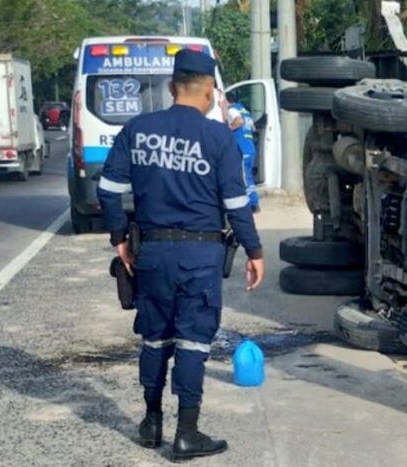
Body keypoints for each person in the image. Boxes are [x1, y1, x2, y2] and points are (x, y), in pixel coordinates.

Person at [96, 49, 265, 461]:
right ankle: (187, 433)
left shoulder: (138, 129)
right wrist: (254, 250)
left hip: (151, 253)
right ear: (209, 92)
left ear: (172, 87)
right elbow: (236, 203)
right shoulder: (218, 138)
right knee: (192, 342)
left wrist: (120, 237)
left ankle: (151, 423)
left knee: (154, 338)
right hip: (200, 256)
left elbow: (108, 190)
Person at [227, 102, 261, 211]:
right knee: (248, 176)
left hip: (243, 148)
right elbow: (253, 128)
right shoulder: (245, 111)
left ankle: (252, 203)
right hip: (250, 148)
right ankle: (253, 201)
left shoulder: (232, 110)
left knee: (244, 178)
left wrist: (228, 129)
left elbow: (239, 121)